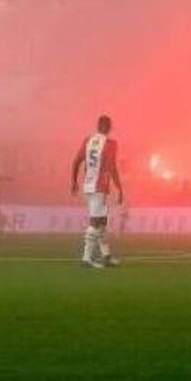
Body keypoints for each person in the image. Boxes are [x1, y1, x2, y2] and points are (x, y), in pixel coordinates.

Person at [71, 114, 124, 268]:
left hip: (88, 185)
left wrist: (74, 181)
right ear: (108, 127)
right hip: (100, 186)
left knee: (101, 222)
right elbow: (113, 167)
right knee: (95, 222)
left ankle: (106, 255)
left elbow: (76, 161)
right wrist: (120, 188)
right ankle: (86, 259)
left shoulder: (88, 141)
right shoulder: (110, 143)